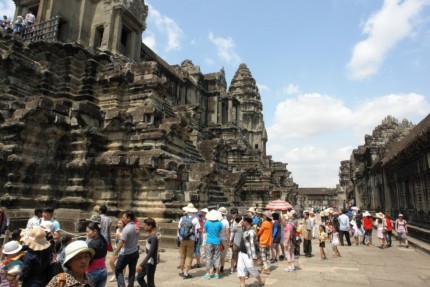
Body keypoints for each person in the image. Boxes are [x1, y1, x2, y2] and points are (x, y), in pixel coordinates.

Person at [113, 210, 139, 287]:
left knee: (118, 270)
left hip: (126, 253)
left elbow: (121, 242)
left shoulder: (126, 229)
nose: (122, 219)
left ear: (129, 218)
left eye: (124, 217)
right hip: (134, 251)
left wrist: (115, 253)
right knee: (132, 271)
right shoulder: (135, 226)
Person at [237, 215, 265, 287]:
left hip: (248, 254)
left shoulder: (251, 232)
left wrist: (254, 257)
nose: (242, 222)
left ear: (246, 222)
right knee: (240, 268)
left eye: (243, 221)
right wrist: (244, 219)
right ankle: (242, 284)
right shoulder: (245, 228)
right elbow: (239, 225)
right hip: (241, 252)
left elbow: (252, 245)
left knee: (251, 268)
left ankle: (261, 281)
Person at [177, 203, 200, 279]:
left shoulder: (182, 218)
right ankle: (186, 272)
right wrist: (197, 239)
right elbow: (197, 232)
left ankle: (181, 270)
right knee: (189, 256)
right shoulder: (195, 219)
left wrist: (179, 238)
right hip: (191, 239)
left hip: (182, 239)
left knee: (182, 255)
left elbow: (179, 229)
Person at [137, 218, 159, 287]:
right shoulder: (150, 235)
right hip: (147, 262)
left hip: (151, 263)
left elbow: (151, 252)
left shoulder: (153, 237)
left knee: (150, 283)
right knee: (139, 278)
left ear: (150, 226)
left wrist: (141, 264)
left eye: (146, 225)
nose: (144, 227)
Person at [202, 209, 223, 280]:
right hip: (217, 241)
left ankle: (208, 273)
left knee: (208, 257)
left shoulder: (207, 222)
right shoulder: (219, 223)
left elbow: (204, 231)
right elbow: (221, 231)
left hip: (209, 241)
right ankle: (217, 273)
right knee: (217, 257)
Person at [86, 221, 108, 287]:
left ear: (95, 231)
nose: (86, 234)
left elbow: (89, 259)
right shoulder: (103, 240)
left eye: (88, 231)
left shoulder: (91, 243)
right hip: (103, 270)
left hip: (92, 272)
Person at [217, 207, 230, 274]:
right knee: (223, 255)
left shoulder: (215, 220)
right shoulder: (226, 221)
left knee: (216, 255)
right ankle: (221, 268)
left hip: (216, 240)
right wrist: (228, 241)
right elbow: (227, 232)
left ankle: (215, 268)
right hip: (223, 239)